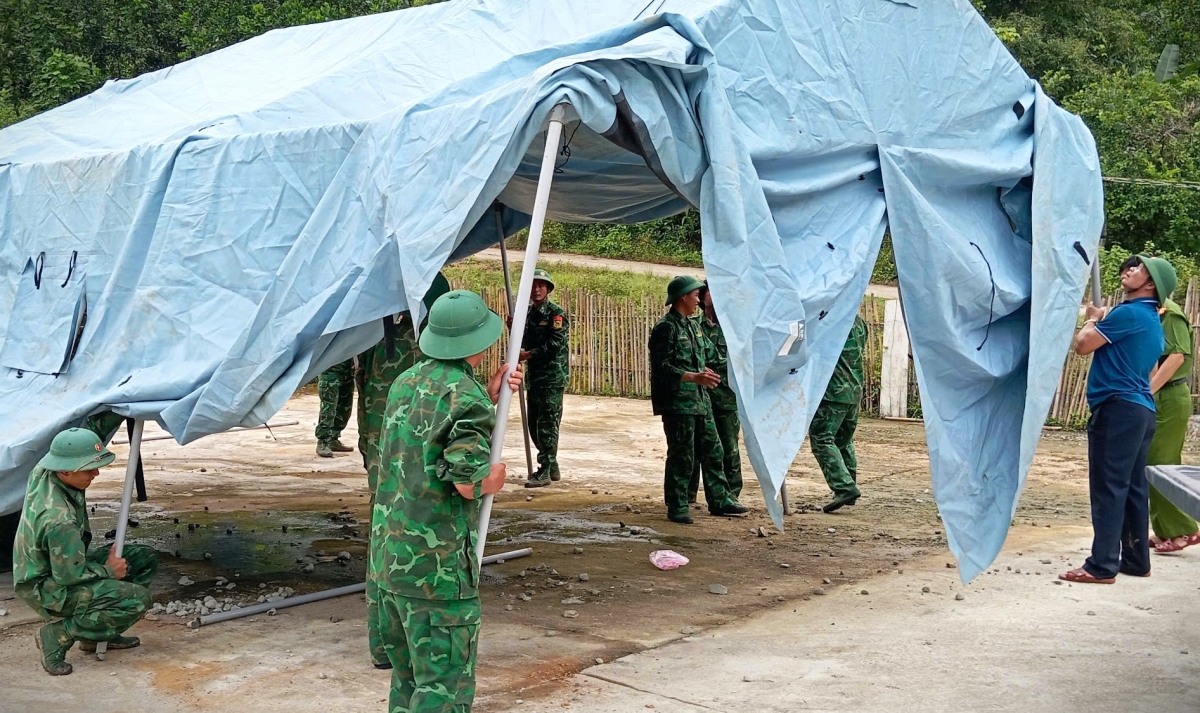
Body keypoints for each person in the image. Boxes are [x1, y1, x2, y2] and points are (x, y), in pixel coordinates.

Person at [370, 289, 522, 712]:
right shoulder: (467, 398)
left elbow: (428, 432)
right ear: (482, 340)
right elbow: (468, 484)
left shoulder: (406, 380)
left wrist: (489, 398)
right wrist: (492, 479)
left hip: (390, 562)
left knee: (408, 682)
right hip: (436, 574)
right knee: (443, 689)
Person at [356, 272, 450, 670]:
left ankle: (383, 645)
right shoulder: (426, 358)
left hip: (382, 454)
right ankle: (416, 646)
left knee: (383, 541)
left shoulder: (377, 339)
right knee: (418, 552)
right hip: (414, 469)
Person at [1060, 255, 1173, 584]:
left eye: (1137, 269)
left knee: (1108, 487)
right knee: (1134, 487)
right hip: (1141, 410)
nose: (1128, 270)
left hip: (1118, 408)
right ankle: (1136, 559)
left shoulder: (1129, 313)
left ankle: (1102, 565)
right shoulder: (1151, 320)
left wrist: (1092, 319)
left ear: (1151, 284)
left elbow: (1083, 346)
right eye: (1129, 266)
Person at [12, 428, 158, 675]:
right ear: (66, 470)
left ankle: (97, 633)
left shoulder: (46, 469)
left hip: (60, 563)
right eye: (89, 468)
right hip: (47, 585)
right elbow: (68, 576)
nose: (96, 473)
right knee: (137, 599)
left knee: (143, 559)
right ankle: (60, 633)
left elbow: (84, 433)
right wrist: (108, 571)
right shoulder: (59, 520)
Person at [649, 275, 749, 524]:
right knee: (683, 455)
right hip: (678, 403)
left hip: (701, 401)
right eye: (695, 294)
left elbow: (710, 357)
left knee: (714, 451)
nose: (698, 299)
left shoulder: (693, 327)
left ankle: (720, 499)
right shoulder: (666, 328)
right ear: (682, 297)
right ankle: (678, 504)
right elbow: (661, 368)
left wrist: (710, 374)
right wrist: (692, 377)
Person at [1143, 266, 1198, 553]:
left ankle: (1185, 528)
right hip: (1159, 393)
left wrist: (1148, 390)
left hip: (1171, 394)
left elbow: (1177, 356)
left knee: (1162, 462)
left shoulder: (1171, 312)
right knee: (1150, 462)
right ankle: (1164, 529)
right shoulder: (1153, 310)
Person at [809, 314, 869, 513]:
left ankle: (845, 487)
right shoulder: (860, 322)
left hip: (833, 391)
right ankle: (849, 484)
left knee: (822, 437)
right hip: (854, 388)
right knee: (843, 439)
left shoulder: (830, 320)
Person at [689, 281, 742, 501]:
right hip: (697, 397)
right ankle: (689, 493)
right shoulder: (692, 326)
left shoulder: (734, 329)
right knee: (692, 447)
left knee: (729, 448)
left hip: (725, 398)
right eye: (710, 291)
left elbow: (739, 361)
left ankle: (731, 493)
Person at [520, 268, 570, 488]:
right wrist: (515, 329)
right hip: (536, 379)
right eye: (533, 285)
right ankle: (551, 464)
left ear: (548, 289)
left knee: (547, 424)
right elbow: (526, 339)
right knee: (534, 424)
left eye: (541, 285)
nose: (536, 289)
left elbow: (555, 344)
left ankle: (545, 469)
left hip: (552, 378)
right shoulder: (529, 314)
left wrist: (528, 354)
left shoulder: (556, 314)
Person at [315, 359, 355, 457]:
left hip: (347, 371)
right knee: (329, 410)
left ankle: (333, 438)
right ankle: (323, 441)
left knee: (345, 408)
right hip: (330, 371)